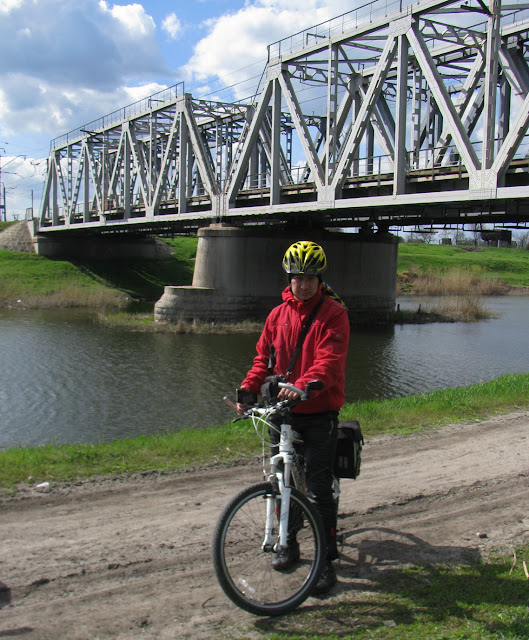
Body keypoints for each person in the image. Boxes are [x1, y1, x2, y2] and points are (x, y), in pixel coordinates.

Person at [236, 240, 350, 594]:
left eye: (310, 278)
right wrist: (248, 389)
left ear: (320, 279)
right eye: (297, 278)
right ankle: (289, 544)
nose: (303, 285)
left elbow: (329, 362)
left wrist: (303, 385)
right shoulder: (277, 315)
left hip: (318, 410)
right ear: (289, 278)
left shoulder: (334, 313)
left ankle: (326, 562)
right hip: (281, 412)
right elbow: (262, 360)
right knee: (281, 482)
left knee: (316, 490)